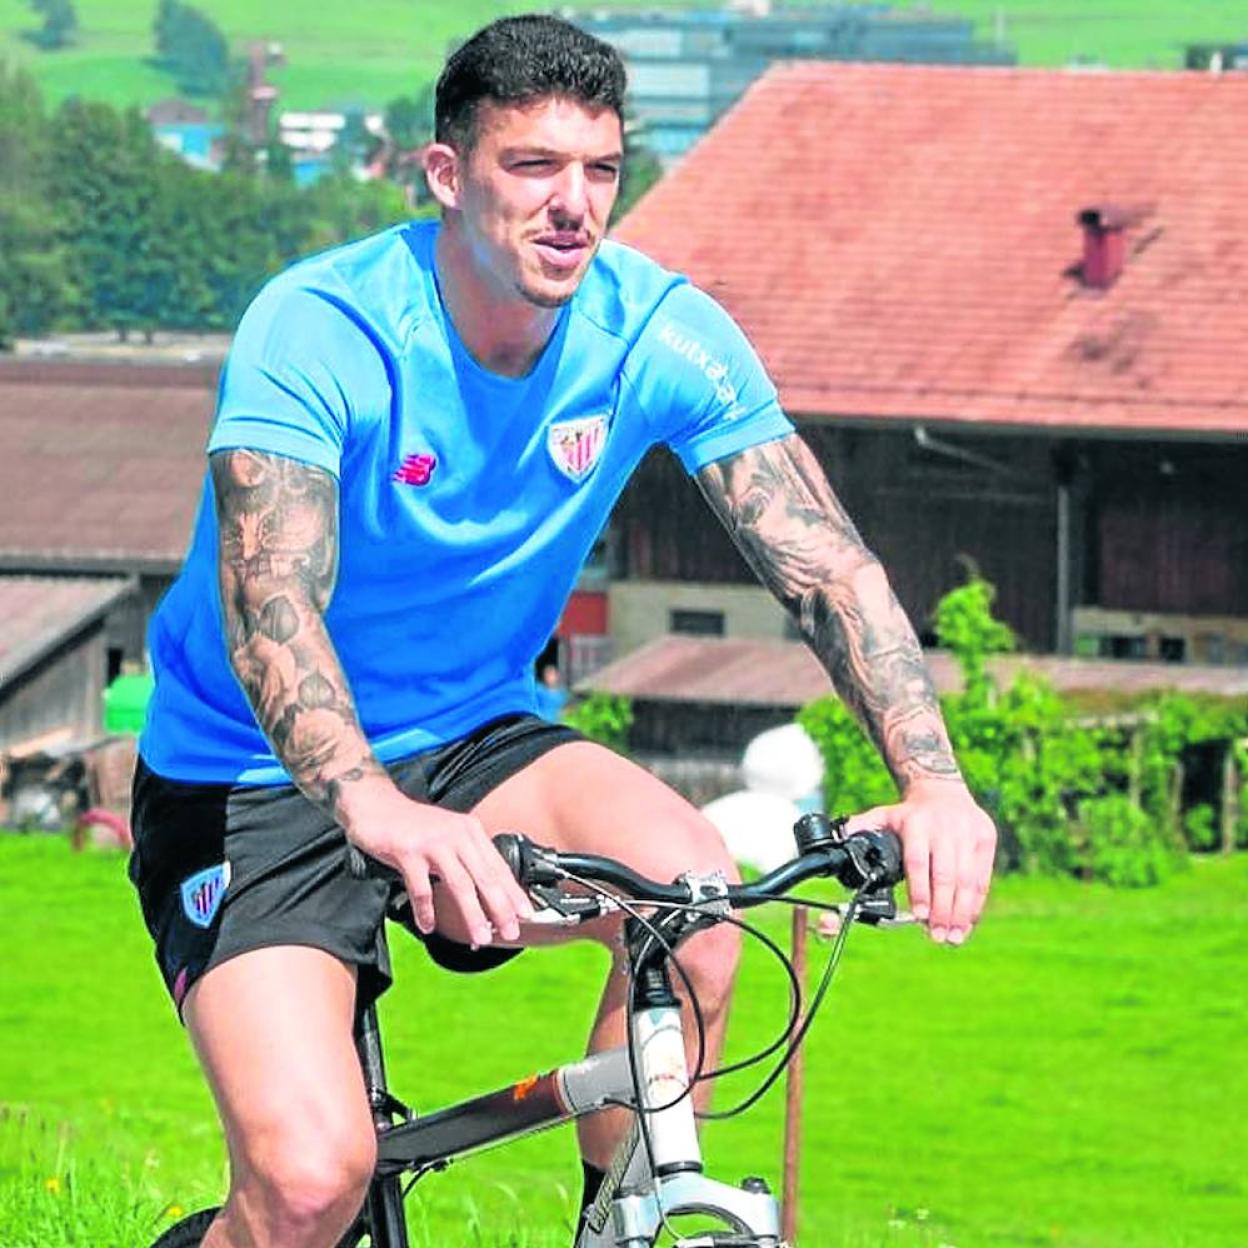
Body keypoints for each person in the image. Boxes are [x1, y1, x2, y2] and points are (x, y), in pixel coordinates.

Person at [128, 15, 997, 1248]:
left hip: (478, 736)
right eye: (532, 167)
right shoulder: (323, 327)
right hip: (254, 772)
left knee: (698, 901)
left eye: (599, 170)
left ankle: (621, 1218)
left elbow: (823, 564)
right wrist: (372, 806)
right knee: (312, 1183)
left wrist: (933, 780)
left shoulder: (657, 330)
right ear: (447, 175)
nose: (572, 206)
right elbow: (273, 604)